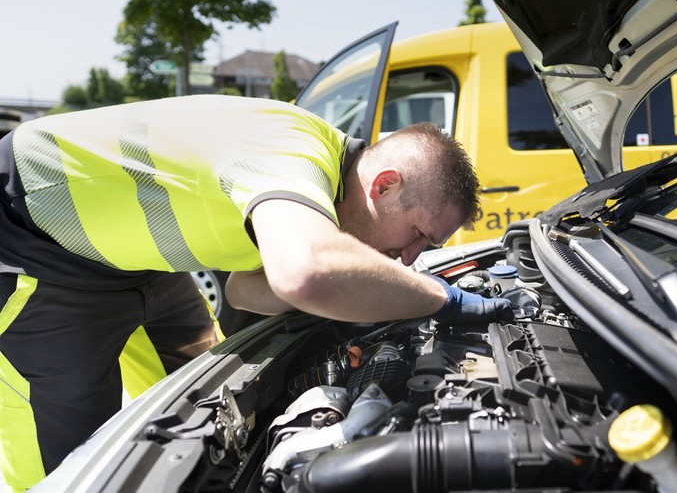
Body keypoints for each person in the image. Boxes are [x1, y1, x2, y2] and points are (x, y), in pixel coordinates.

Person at [0, 94, 512, 491]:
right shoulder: (287, 156)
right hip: (37, 246)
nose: (410, 258)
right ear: (384, 186)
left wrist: (364, 298)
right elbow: (305, 274)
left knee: (193, 415)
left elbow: (245, 290)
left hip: (144, 260)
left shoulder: (323, 189)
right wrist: (436, 297)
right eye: (418, 235)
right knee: (71, 464)